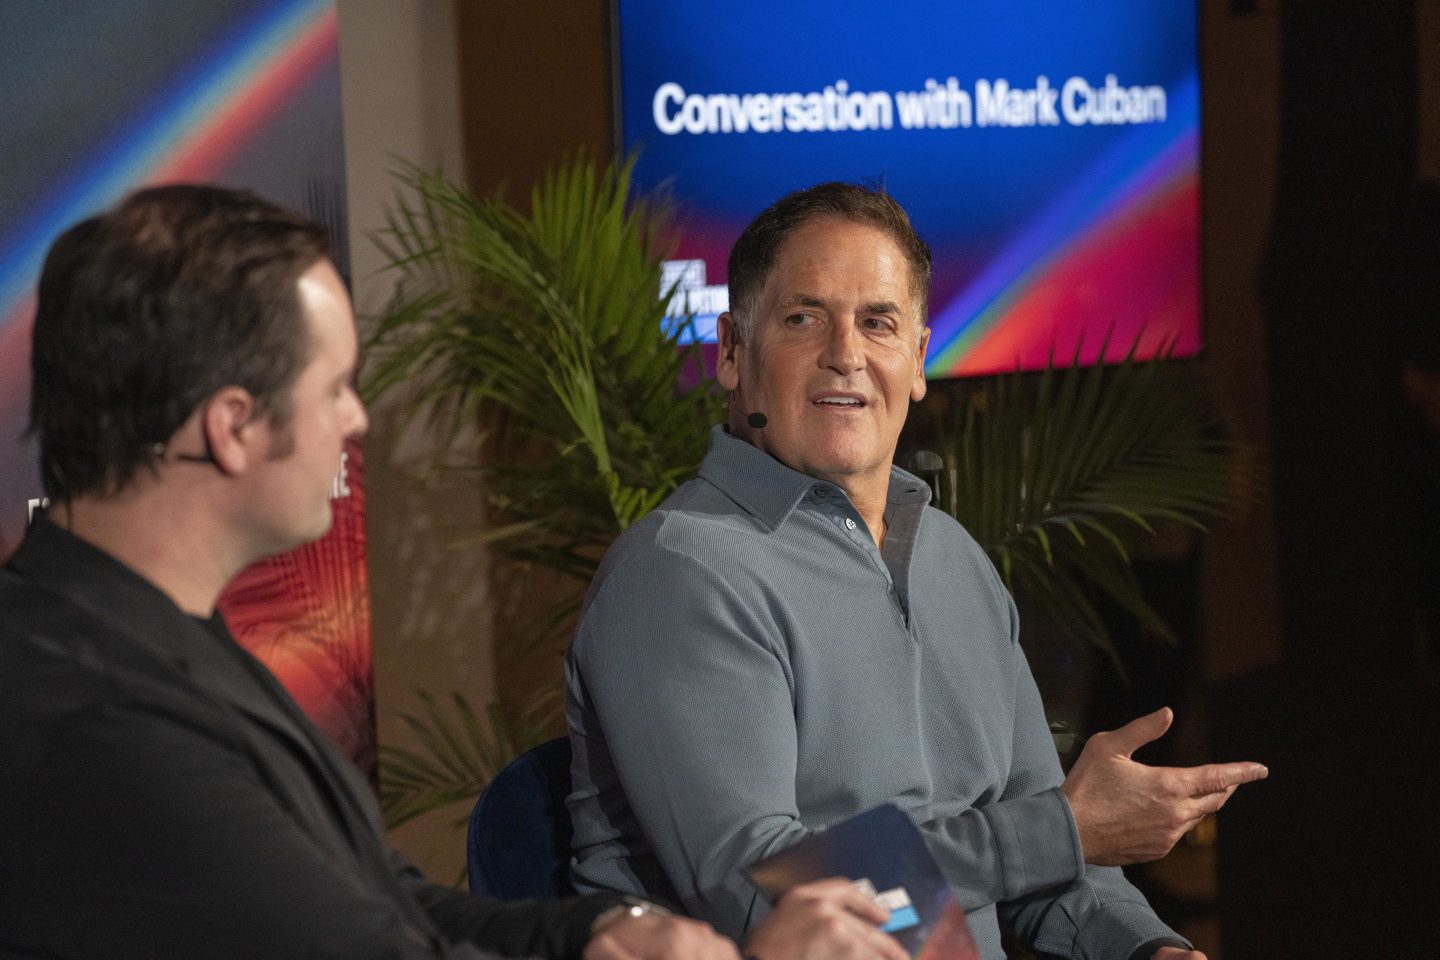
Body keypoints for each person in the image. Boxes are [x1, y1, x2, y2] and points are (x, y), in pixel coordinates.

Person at [0, 184, 903, 960]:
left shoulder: (148, 632)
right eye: (335, 389)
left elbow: (385, 898)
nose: (357, 422)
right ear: (232, 427)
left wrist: (597, 933)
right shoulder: (89, 709)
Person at [565, 183, 1269, 960]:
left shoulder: (954, 562)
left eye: (878, 322)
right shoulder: (683, 569)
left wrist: (1151, 950)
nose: (847, 353)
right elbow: (765, 892)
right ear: (732, 352)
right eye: (805, 318)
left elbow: (1054, 868)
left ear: (919, 359)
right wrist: (1060, 828)